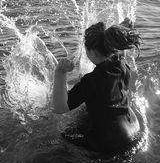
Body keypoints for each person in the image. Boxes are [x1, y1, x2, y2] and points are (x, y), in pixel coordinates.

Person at [52, 20, 141, 155]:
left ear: (92, 53)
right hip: (133, 130)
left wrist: (60, 73)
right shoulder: (122, 64)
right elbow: (118, 50)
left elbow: (60, 107)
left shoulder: (91, 81)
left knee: (64, 140)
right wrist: (118, 30)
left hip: (111, 142)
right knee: (89, 114)